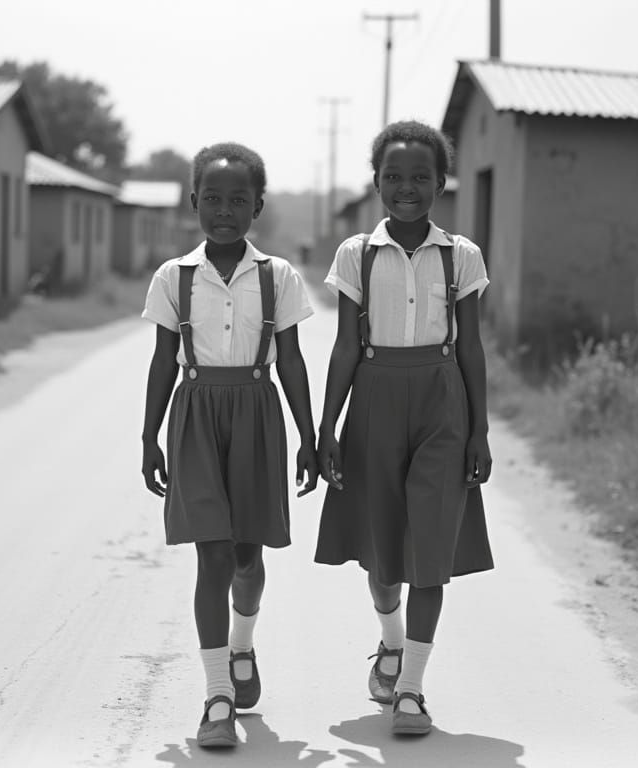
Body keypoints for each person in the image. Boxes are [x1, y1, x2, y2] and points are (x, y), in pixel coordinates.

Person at [314, 120, 494, 736]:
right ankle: (390, 640)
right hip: (375, 398)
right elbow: (342, 348)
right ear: (376, 183)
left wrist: (481, 431)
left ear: (441, 184)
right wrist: (325, 427)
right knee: (382, 553)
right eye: (393, 176)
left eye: (420, 176)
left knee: (430, 552)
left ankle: (412, 689)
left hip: (443, 404)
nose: (406, 187)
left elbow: (471, 349)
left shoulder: (461, 255)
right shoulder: (356, 254)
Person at [140, 142, 318, 749]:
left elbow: (291, 361)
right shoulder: (174, 278)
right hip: (193, 416)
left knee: (246, 557)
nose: (224, 209)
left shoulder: (278, 277)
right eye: (212, 198)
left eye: (238, 199)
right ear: (194, 202)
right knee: (212, 556)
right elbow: (163, 363)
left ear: (258, 207)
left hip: (257, 414)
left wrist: (309, 436)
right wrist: (148, 437)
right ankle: (217, 695)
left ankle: (242, 644)